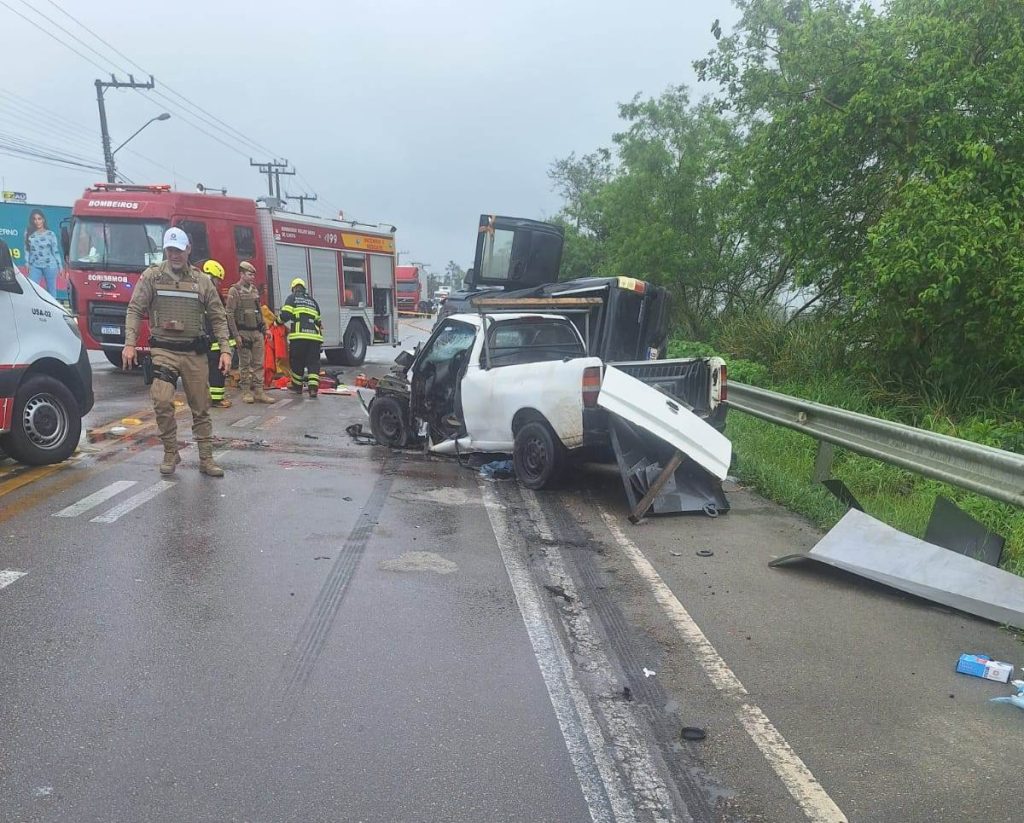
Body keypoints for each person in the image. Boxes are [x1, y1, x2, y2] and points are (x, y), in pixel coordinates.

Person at [122, 227, 232, 477]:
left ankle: (206, 458)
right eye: (170, 250)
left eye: (179, 250)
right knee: (162, 400)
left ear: (188, 250)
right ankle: (171, 452)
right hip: (164, 350)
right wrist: (129, 344)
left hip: (194, 352)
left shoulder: (202, 281)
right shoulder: (152, 277)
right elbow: (135, 309)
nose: (174, 255)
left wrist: (225, 349)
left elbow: (218, 316)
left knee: (201, 407)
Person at [225, 260, 274, 404]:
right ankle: (246, 391)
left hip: (256, 332)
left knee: (259, 363)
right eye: (249, 274)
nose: (252, 277)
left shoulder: (254, 290)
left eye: (253, 275)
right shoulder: (234, 291)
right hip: (243, 332)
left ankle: (259, 392)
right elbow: (229, 314)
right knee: (245, 363)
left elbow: (259, 311)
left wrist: (265, 329)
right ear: (241, 274)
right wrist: (236, 335)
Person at [278, 277, 323, 398]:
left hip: (299, 337)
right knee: (313, 363)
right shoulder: (313, 301)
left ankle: (297, 387)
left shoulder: (292, 298)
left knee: (297, 361)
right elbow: (318, 321)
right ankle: (313, 389)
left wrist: (277, 322)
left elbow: (285, 315)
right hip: (314, 338)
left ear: (293, 288)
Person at [201, 260, 234, 408]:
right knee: (217, 369)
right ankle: (216, 399)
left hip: (205, 338)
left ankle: (209, 397)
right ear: (212, 277)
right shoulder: (212, 293)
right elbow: (218, 318)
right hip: (213, 339)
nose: (219, 283)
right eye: (218, 280)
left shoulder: (199, 289)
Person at [24, 209, 62, 297]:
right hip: (35, 266)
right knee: (32, 288)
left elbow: (55, 251)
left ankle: (52, 306)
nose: (37, 221)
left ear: (43, 220)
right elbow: (27, 249)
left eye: (39, 219)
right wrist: (27, 264)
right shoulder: (29, 233)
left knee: (51, 290)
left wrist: (60, 266)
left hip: (50, 265)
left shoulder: (50, 234)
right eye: (35, 219)